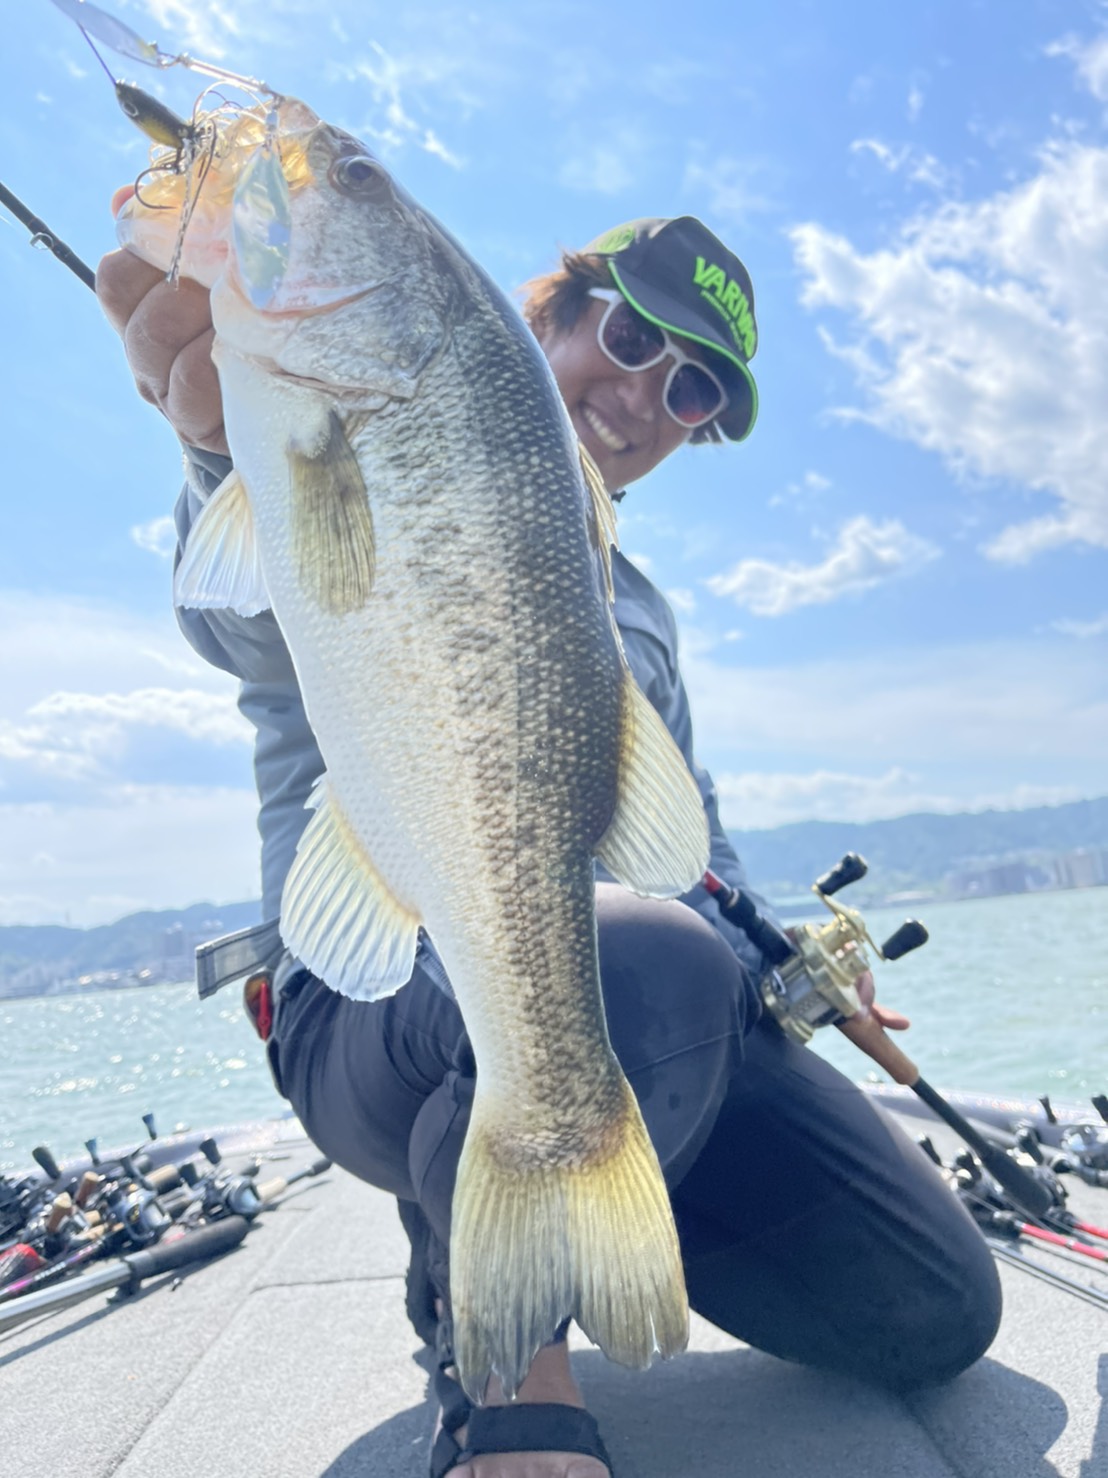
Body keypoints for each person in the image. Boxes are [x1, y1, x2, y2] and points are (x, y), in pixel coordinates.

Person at [96, 212, 1001, 1478]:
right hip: (369, 999)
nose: (641, 394)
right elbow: (241, 618)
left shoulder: (641, 610)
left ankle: (598, 1204)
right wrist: (213, 443)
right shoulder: (350, 448)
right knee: (634, 952)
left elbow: (695, 850)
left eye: (688, 388)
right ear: (545, 316)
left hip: (634, 989)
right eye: (628, 337)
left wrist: (786, 957)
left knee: (932, 1303)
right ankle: (510, 1371)